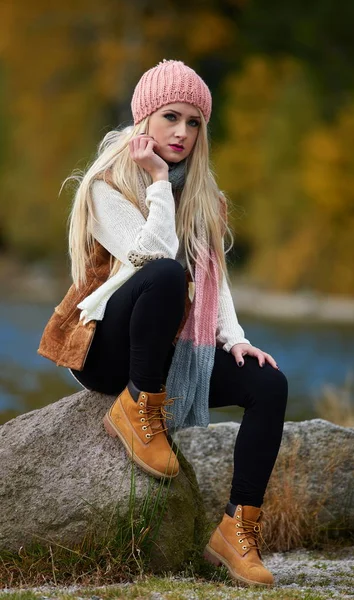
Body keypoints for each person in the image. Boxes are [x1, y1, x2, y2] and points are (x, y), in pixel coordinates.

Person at [37, 59, 288, 587]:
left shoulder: (204, 200)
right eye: (171, 117)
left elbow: (215, 283)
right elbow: (151, 258)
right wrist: (155, 182)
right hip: (107, 350)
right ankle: (136, 407)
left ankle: (236, 531)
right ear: (144, 120)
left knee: (269, 383)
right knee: (168, 275)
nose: (182, 132)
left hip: (171, 349)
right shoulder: (107, 185)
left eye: (194, 122)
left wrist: (236, 340)